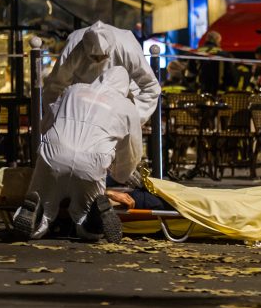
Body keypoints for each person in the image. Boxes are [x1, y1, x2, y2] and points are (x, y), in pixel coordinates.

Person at [13, 67, 143, 243]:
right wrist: (122, 174)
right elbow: (132, 152)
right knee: (84, 218)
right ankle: (94, 218)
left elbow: (47, 122)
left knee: (43, 196)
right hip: (92, 163)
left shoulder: (73, 89)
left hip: (53, 154)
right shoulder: (127, 107)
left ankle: (36, 211)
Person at [43, 21, 161, 125]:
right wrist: (56, 118)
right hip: (82, 108)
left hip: (122, 105)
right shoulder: (73, 47)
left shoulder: (128, 47)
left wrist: (133, 117)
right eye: (93, 57)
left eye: (102, 57)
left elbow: (151, 87)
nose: (98, 61)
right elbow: (55, 85)